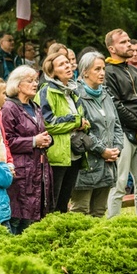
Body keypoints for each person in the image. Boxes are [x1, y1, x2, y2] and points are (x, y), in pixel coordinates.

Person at [104, 29, 137, 218]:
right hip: (121, 133)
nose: (129, 45)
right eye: (123, 42)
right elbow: (115, 104)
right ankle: (113, 226)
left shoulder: (134, 70)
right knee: (119, 183)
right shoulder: (108, 72)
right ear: (112, 48)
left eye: (129, 41)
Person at [1, 65, 54, 234]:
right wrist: (33, 141)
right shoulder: (9, 107)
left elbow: (41, 132)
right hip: (20, 170)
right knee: (18, 217)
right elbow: (7, 140)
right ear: (17, 84)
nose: (35, 84)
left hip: (38, 169)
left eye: (36, 80)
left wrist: (47, 140)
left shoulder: (35, 106)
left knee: (33, 217)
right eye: (30, 81)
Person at [70, 52, 122, 217]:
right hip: (87, 164)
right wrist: (102, 150)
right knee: (81, 210)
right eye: (97, 69)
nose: (102, 73)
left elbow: (117, 126)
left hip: (108, 164)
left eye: (103, 69)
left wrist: (116, 149)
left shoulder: (106, 94)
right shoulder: (76, 95)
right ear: (84, 72)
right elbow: (81, 132)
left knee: (99, 212)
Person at [36, 50, 88, 213]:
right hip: (56, 156)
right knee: (52, 204)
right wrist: (76, 122)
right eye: (61, 64)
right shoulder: (46, 92)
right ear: (51, 72)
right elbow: (48, 122)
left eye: (67, 62)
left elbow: (83, 119)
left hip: (74, 153)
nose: (67, 66)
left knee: (64, 202)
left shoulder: (72, 91)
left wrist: (81, 123)